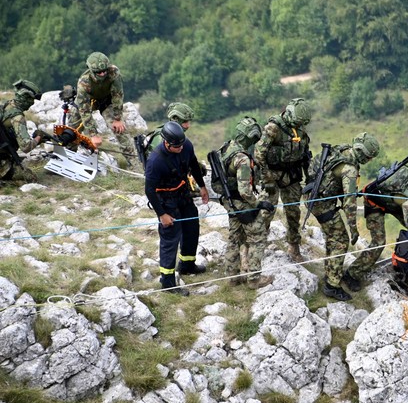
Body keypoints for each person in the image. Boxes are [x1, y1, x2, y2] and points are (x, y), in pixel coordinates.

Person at [343, 166, 408, 291]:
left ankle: (406, 266)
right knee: (379, 242)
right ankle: (352, 274)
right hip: (375, 202)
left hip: (394, 202)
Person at [304, 132, 380, 301]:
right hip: (322, 204)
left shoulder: (342, 150)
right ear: (363, 154)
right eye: (369, 157)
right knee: (340, 241)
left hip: (313, 195)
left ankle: (331, 272)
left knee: (334, 237)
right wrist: (353, 229)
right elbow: (350, 203)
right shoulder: (350, 169)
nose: (369, 161)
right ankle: (332, 285)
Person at [144, 121, 209, 295]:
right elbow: (149, 190)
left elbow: (193, 164)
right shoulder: (155, 161)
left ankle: (187, 264)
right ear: (166, 143)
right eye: (176, 146)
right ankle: (167, 282)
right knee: (170, 239)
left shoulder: (185, 145)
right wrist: (162, 214)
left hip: (182, 193)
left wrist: (202, 187)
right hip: (165, 200)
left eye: (181, 144)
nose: (180, 148)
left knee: (192, 227)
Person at [213, 116, 274, 289]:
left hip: (229, 202)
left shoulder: (226, 147)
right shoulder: (242, 159)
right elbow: (245, 191)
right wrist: (259, 203)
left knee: (234, 238)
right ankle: (254, 279)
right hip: (242, 204)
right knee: (258, 238)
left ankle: (233, 277)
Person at [254, 98, 312, 262]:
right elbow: (259, 153)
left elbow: (305, 152)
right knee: (266, 211)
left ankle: (294, 247)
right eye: (298, 121)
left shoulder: (300, 128)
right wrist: (267, 178)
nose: (300, 125)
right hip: (271, 174)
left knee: (293, 212)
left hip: (291, 174)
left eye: (302, 123)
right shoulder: (274, 127)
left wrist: (309, 178)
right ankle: (257, 249)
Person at [69, 52, 135, 166]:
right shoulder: (84, 83)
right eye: (99, 72)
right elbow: (84, 110)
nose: (103, 73)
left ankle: (134, 161)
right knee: (71, 130)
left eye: (105, 70)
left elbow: (117, 95)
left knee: (119, 129)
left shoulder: (114, 73)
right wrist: (93, 134)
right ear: (91, 71)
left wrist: (117, 118)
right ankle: (69, 156)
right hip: (88, 102)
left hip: (106, 102)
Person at [1, 80, 43, 183]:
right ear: (26, 98)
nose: (32, 103)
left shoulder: (6, 106)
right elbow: (26, 146)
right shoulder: (18, 117)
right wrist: (39, 138)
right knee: (31, 177)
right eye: (32, 100)